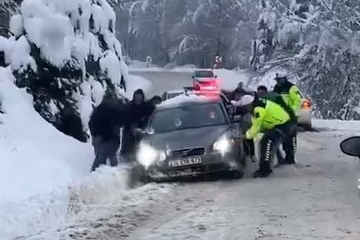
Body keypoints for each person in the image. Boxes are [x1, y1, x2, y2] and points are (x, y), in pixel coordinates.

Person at [235, 95, 294, 178]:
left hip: (282, 125)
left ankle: (265, 170)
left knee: (267, 142)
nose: (245, 110)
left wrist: (246, 136)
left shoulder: (258, 109)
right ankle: (270, 165)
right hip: (279, 124)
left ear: (249, 104)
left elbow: (256, 126)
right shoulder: (258, 105)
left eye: (244, 107)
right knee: (268, 142)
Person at [88, 94, 128, 171]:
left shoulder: (116, 110)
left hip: (112, 138)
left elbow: (122, 121)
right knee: (101, 158)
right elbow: (92, 123)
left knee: (110, 158)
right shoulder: (100, 110)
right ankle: (95, 175)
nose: (112, 101)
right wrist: (96, 135)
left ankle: (113, 175)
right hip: (102, 138)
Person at [273, 71, 302, 165]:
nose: (278, 81)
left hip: (290, 118)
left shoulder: (291, 88)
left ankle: (291, 158)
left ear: (284, 78)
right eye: (277, 80)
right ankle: (285, 157)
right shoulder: (276, 88)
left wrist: (291, 113)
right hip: (279, 118)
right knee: (282, 138)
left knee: (290, 138)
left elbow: (297, 101)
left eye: (279, 80)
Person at [232, 93, 256, 162]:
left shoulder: (248, 109)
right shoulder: (239, 107)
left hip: (246, 124)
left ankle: (251, 154)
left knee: (249, 139)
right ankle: (249, 154)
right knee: (245, 140)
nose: (250, 105)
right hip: (243, 125)